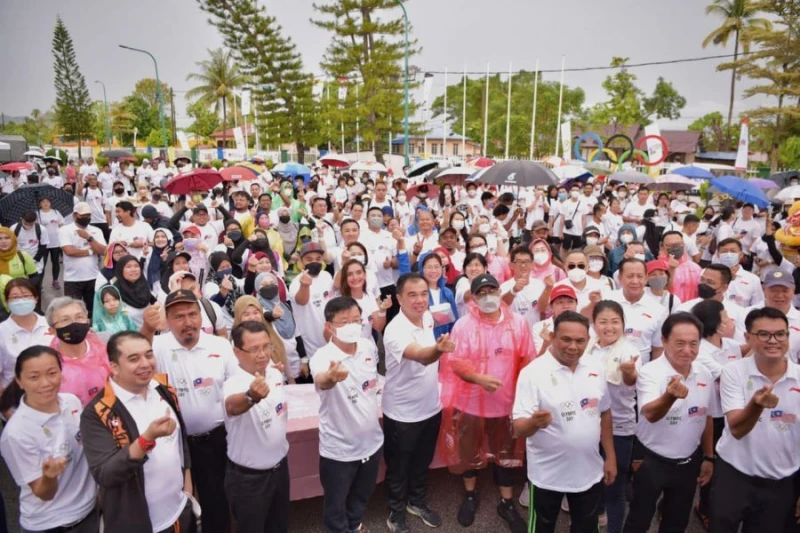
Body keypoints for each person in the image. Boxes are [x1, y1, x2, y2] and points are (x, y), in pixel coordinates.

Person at [440, 274, 532, 532]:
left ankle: (506, 502)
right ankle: (470, 495)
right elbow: (455, 362)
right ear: (474, 297)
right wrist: (478, 378)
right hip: (470, 402)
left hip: (507, 403)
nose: (488, 296)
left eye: (493, 290)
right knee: (469, 452)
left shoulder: (519, 324)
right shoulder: (463, 326)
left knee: (508, 453)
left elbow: (528, 360)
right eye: (482, 292)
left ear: (500, 292)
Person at [512, 311, 616, 533]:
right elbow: (519, 428)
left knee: (586, 527)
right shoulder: (533, 373)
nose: (573, 347)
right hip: (546, 476)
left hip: (589, 472)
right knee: (542, 528)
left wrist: (611, 457)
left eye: (580, 341)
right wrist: (534, 422)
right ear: (552, 336)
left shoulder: (595, 367)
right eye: (566, 339)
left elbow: (605, 413)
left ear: (588, 340)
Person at [81, 331, 194, 533]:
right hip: (136, 523)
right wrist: (146, 440)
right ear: (114, 367)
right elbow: (105, 474)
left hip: (178, 514)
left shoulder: (163, 388)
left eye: (149, 355)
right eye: (134, 359)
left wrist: (187, 487)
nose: (145, 364)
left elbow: (180, 441)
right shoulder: (97, 412)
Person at [149, 289, 237, 533]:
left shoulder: (219, 345)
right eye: (179, 316)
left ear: (201, 316)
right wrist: (147, 329)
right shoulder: (156, 348)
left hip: (215, 440)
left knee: (216, 501)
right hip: (173, 443)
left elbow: (235, 384)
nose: (187, 322)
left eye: (192, 314)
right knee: (177, 504)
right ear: (167, 320)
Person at [623, 313, 714, 533]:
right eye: (679, 343)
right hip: (651, 461)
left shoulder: (704, 373)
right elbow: (651, 414)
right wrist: (670, 396)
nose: (687, 350)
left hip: (688, 462)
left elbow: (707, 417)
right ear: (663, 341)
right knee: (638, 520)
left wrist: (709, 457)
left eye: (693, 344)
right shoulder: (649, 372)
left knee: (677, 522)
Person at [711, 307, 799, 532]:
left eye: (780, 334)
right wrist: (756, 406)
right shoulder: (734, 372)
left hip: (781, 478)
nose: (773, 341)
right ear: (748, 337)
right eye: (764, 334)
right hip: (734, 472)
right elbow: (737, 429)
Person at [383, 273, 456, 533]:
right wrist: (439, 349)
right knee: (398, 466)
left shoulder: (427, 317)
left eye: (424, 293)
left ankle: (416, 502)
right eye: (412, 295)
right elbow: (421, 356)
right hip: (402, 413)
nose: (419, 300)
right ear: (399, 298)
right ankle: (396, 511)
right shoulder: (395, 330)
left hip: (430, 407)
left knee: (422, 461)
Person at [0, 346, 99, 533]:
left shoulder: (71, 402)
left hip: (88, 514)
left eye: (52, 373)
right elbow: (43, 493)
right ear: (19, 380)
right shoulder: (15, 433)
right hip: (51, 525)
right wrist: (49, 476)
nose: (45, 383)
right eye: (34, 377)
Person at [310, 297, 383, 533]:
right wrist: (330, 378)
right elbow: (322, 380)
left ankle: (355, 525)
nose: (352, 325)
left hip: (371, 443)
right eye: (344, 321)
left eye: (356, 320)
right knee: (335, 505)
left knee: (361, 496)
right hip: (339, 451)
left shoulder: (368, 346)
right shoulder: (323, 357)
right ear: (330, 326)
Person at [224, 321, 290, 533]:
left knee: (279, 526)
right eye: (254, 349)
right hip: (249, 479)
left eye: (266, 346)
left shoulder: (275, 374)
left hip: (279, 470)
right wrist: (251, 396)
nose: (262, 354)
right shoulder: (233, 383)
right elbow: (232, 406)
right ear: (237, 352)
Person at [582, 301, 641, 533]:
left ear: (623, 324)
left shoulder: (630, 352)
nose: (609, 327)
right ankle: (596, 517)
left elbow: (631, 381)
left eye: (615, 322)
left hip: (619, 428)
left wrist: (629, 373)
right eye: (603, 322)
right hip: (589, 424)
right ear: (594, 324)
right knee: (593, 481)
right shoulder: (588, 347)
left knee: (615, 485)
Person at [690, 299, 742, 527]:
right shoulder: (700, 351)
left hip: (732, 413)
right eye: (725, 317)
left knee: (725, 465)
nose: (730, 321)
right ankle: (699, 506)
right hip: (711, 414)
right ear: (716, 324)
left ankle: (712, 505)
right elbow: (729, 378)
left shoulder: (731, 346)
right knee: (705, 462)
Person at [46, 297, 111, 407]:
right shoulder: (48, 364)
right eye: (65, 320)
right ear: (52, 331)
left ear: (88, 321)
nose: (74, 324)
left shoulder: (107, 346)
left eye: (79, 317)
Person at [290, 242, 335, 379]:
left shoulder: (327, 276)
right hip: (311, 348)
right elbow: (301, 301)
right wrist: (305, 286)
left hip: (332, 344)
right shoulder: (296, 282)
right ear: (301, 261)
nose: (314, 262)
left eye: (318, 259)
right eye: (309, 260)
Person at [0, 279, 51, 389]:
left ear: (36, 299)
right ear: (7, 303)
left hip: (51, 391)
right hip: (15, 398)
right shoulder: (2, 332)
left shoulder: (50, 324)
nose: (21, 300)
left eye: (26, 296)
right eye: (15, 297)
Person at [59, 202, 108, 316]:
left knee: (95, 311)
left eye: (88, 215)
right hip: (72, 279)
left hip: (93, 277)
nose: (86, 218)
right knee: (73, 311)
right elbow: (69, 251)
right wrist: (91, 251)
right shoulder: (65, 230)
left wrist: (89, 237)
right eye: (83, 215)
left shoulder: (96, 231)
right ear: (75, 215)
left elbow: (103, 251)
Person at [500, 246, 547, 327]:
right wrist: (513, 291)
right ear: (511, 265)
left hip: (533, 333)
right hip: (512, 332)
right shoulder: (504, 286)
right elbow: (502, 306)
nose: (523, 265)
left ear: (532, 264)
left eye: (527, 262)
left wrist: (548, 288)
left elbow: (543, 310)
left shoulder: (539, 285)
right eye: (518, 262)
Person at [419, 252, 459, 339]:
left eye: (437, 267)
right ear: (422, 269)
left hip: (446, 342)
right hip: (425, 344)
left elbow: (455, 321)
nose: (433, 271)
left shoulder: (447, 293)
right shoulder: (418, 293)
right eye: (429, 267)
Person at [716, 238, 764, 307]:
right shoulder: (707, 274)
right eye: (724, 251)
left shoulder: (753, 279)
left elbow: (758, 305)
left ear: (741, 254)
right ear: (718, 255)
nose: (729, 254)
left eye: (733, 251)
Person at [113, 255, 156, 328]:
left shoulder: (145, 288)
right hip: (130, 336)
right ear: (121, 270)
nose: (133, 269)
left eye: (136, 266)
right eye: (128, 267)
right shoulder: (114, 292)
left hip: (152, 334)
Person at [660, 230, 701, 303]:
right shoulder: (656, 268)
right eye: (669, 245)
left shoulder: (695, 268)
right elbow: (658, 291)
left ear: (684, 245)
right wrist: (671, 271)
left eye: (678, 244)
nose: (675, 248)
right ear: (662, 247)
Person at [38, 197, 66, 290]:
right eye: (43, 202)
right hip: (43, 243)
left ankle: (55, 280)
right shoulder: (37, 214)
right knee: (43, 264)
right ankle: (40, 283)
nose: (45, 203)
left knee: (56, 262)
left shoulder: (56, 212)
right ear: (40, 204)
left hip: (56, 242)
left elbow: (62, 224)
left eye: (47, 201)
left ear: (50, 203)